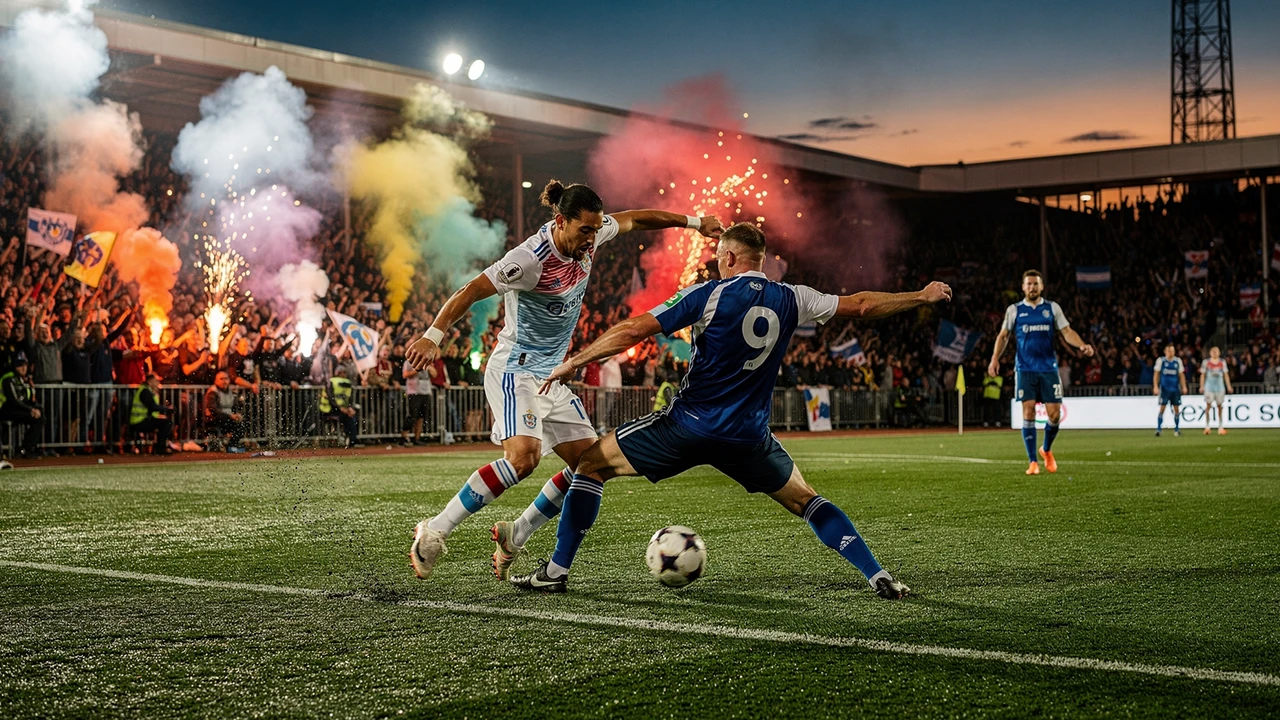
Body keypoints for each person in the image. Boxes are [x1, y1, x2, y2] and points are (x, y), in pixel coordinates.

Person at [509, 223, 951, 598]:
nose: (718, 262)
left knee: (589, 464)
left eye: (721, 256)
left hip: (686, 426)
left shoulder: (708, 294)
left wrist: (574, 361)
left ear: (731, 257)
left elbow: (633, 329)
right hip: (748, 438)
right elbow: (863, 305)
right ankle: (877, 574)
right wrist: (921, 295)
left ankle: (556, 572)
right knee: (807, 500)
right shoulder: (794, 297)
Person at [405, 179, 724, 581]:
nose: (593, 239)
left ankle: (516, 534)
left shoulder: (591, 234)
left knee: (591, 466)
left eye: (596, 230)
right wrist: (433, 335)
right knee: (524, 460)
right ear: (560, 221)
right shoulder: (529, 259)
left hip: (551, 379)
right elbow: (471, 290)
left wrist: (694, 222)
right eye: (585, 231)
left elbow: (639, 219)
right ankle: (434, 530)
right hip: (515, 370)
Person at [987, 270, 1095, 475]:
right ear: (1023, 287)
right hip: (1025, 368)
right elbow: (1003, 336)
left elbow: (1067, 331)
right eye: (1028, 284)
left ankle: (1046, 449)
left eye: (1035, 284)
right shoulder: (1014, 310)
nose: (1032, 287)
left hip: (1048, 368)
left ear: (1042, 286)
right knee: (1028, 411)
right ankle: (1032, 462)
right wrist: (995, 358)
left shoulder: (1052, 308)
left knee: (1054, 415)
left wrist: (1081, 345)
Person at [0, 354, 44, 458]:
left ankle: (27, 448)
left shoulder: (24, 379)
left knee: (40, 415)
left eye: (25, 365)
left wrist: (35, 408)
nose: (24, 368)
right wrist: (31, 409)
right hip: (6, 410)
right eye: (20, 365)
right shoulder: (9, 379)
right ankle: (25, 449)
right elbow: (13, 400)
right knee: (36, 416)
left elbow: (29, 398)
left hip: (18, 410)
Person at [129, 373, 174, 456]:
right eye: (156, 381)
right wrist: (166, 409)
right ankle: (160, 448)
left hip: (142, 419)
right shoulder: (145, 391)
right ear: (149, 382)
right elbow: (152, 406)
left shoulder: (147, 390)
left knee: (165, 422)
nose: (158, 383)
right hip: (139, 421)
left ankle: (160, 447)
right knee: (166, 423)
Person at [318, 365, 361, 448]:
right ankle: (351, 440)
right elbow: (331, 398)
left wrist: (349, 408)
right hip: (329, 409)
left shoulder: (346, 383)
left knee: (353, 416)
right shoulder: (332, 382)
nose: (344, 374)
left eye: (344, 372)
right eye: (342, 372)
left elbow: (349, 398)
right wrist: (341, 408)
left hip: (341, 408)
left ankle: (352, 439)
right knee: (348, 417)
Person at [203, 371, 246, 452]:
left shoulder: (231, 391)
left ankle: (232, 445)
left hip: (228, 416)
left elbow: (236, 406)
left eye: (226, 378)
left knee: (241, 422)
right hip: (214, 418)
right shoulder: (213, 391)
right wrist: (230, 415)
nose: (224, 381)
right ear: (216, 381)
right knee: (224, 419)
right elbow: (213, 409)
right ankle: (227, 445)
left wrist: (238, 414)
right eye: (221, 379)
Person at [1153, 343, 1187, 437]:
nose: (1170, 353)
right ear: (1165, 352)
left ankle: (1177, 429)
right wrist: (1155, 386)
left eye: (1172, 351)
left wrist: (1184, 386)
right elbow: (1156, 374)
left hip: (1175, 389)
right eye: (1168, 351)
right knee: (1162, 408)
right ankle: (1159, 429)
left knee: (1176, 409)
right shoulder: (1161, 361)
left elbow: (1181, 375)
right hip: (1164, 389)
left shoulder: (1177, 361)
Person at [1199, 346, 1231, 435]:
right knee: (1208, 406)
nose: (1214, 353)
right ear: (1210, 353)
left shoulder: (1222, 362)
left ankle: (1220, 427)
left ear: (1219, 353)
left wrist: (1228, 386)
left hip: (1220, 387)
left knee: (1220, 406)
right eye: (1213, 351)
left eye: (1216, 351)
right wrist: (1201, 386)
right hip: (1209, 387)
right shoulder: (1206, 362)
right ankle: (1207, 426)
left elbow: (1226, 374)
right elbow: (1202, 374)